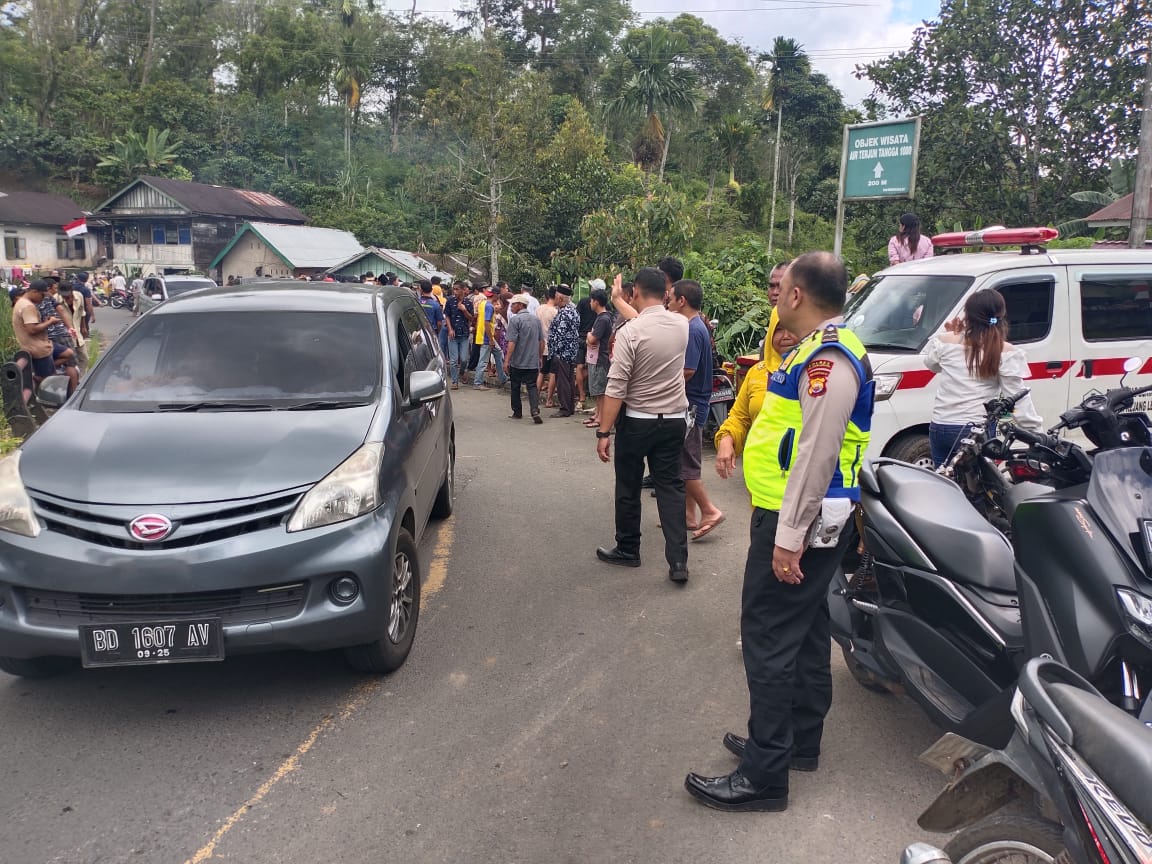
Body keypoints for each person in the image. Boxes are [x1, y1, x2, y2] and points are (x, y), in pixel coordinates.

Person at [685, 252, 875, 813]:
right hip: (798, 513)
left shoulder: (829, 359)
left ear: (797, 296)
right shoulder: (819, 349)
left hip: (800, 521)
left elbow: (817, 453)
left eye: (781, 286)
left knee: (767, 636)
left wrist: (789, 535)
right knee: (808, 627)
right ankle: (796, 740)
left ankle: (764, 773)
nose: (775, 295)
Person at [594, 267, 690, 583]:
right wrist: (620, 299)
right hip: (674, 420)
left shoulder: (630, 333)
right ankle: (678, 562)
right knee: (671, 489)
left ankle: (628, 549)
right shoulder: (681, 325)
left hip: (638, 423)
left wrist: (603, 432)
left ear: (635, 291)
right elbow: (647, 317)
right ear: (666, 293)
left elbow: (617, 386)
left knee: (628, 487)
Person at [923, 288, 1043, 467]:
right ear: (1001, 315)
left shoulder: (946, 341)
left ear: (967, 315)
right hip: (975, 431)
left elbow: (932, 365)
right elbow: (1018, 400)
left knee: (946, 487)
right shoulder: (1003, 351)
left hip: (940, 426)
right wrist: (1037, 435)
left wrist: (952, 333)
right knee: (983, 491)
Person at [670, 279, 725, 540]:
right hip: (697, 402)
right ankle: (689, 516)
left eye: (671, 298)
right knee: (685, 459)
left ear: (682, 301)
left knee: (686, 463)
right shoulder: (697, 325)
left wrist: (661, 386)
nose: (668, 303)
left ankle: (709, 510)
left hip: (691, 404)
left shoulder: (692, 329)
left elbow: (688, 371)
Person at [715, 314, 799, 478]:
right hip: (761, 482)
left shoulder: (815, 373)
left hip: (804, 483)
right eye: (779, 329)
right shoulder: (757, 372)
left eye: (793, 327)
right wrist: (726, 439)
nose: (786, 336)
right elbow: (739, 417)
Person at [13, 280, 76, 389]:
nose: (43, 299)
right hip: (38, 348)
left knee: (68, 353)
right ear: (34, 292)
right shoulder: (28, 306)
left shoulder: (22, 303)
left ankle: (39, 375)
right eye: (42, 295)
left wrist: (45, 322)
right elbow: (32, 329)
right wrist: (50, 322)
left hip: (43, 344)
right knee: (49, 381)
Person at [503, 294, 545, 423]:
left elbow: (512, 342)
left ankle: (517, 411)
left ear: (520, 305)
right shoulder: (536, 320)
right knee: (532, 386)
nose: (511, 306)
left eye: (514, 304)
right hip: (532, 361)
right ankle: (534, 409)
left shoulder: (515, 320)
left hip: (518, 361)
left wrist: (506, 360)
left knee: (515, 385)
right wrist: (540, 357)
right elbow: (541, 341)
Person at [547, 284, 580, 417]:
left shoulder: (564, 313)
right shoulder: (573, 310)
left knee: (562, 381)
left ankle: (565, 408)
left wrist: (554, 352)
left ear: (560, 298)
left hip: (562, 352)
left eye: (555, 297)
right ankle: (569, 406)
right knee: (569, 379)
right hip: (571, 351)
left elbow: (559, 335)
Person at [583, 288, 613, 430]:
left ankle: (601, 417)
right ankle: (597, 413)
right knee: (596, 389)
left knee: (600, 391)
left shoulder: (603, 319)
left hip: (600, 358)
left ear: (596, 301)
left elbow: (593, 339)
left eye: (591, 300)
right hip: (595, 357)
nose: (590, 303)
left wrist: (589, 336)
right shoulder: (602, 317)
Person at [575, 281, 601, 411]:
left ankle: (581, 397)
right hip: (595, 338)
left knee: (579, 367)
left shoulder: (583, 302)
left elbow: (576, 318)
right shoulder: (605, 306)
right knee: (592, 367)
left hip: (581, 337)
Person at [444, 281, 472, 390]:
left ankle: (462, 372)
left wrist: (464, 310)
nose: (455, 291)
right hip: (453, 334)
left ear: (463, 289)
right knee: (453, 360)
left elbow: (471, 318)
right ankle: (455, 382)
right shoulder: (450, 301)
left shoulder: (468, 302)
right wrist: (450, 329)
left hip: (464, 334)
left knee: (464, 359)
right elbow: (447, 316)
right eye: (453, 289)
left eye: (457, 289)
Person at [57, 282, 89, 374]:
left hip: (77, 332)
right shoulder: (56, 299)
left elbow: (82, 311)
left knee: (84, 358)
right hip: (64, 335)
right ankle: (71, 381)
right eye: (63, 295)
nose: (66, 298)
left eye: (67, 295)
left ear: (72, 291)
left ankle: (81, 380)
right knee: (70, 361)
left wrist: (84, 326)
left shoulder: (79, 296)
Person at [537, 286, 559, 406]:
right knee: (553, 373)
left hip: (540, 344)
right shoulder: (555, 312)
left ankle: (535, 396)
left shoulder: (539, 309)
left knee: (542, 372)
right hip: (551, 346)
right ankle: (549, 400)